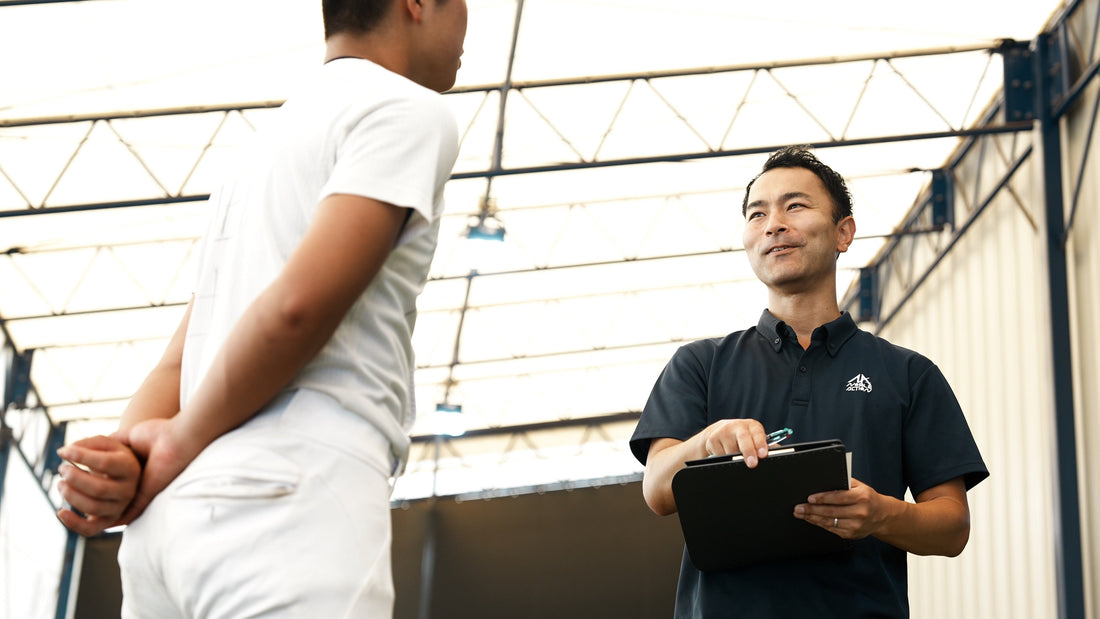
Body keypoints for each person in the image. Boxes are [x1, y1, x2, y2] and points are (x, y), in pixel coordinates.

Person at [53, 0, 467, 615]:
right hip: (289, 494)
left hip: (165, 531)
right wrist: (170, 442)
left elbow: (178, 362)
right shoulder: (407, 110)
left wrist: (127, 455)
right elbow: (298, 306)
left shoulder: (256, 151)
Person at [630, 146, 988, 618]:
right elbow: (656, 490)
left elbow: (952, 526)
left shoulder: (908, 374)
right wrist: (706, 442)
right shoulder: (700, 364)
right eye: (757, 214)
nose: (774, 224)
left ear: (844, 232)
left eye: (794, 206)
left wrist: (881, 513)